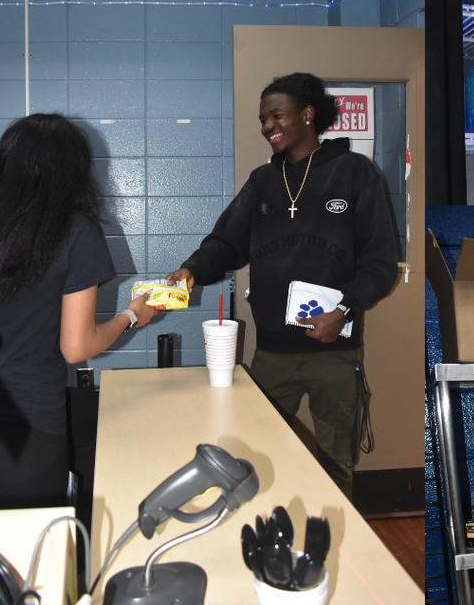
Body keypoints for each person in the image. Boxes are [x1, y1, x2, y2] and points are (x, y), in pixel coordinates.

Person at [167, 72, 399, 497]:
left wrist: (344, 309)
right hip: (272, 354)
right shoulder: (262, 182)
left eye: (277, 115)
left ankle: (334, 553)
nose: (267, 126)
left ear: (307, 115)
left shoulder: (353, 173)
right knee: (255, 455)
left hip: (334, 353)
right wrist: (193, 270)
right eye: (262, 119)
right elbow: (226, 244)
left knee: (334, 465)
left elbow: (380, 264)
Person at [0, 113, 159, 509]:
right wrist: (133, 315)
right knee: (34, 560)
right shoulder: (76, 229)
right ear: (72, 170)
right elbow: (76, 347)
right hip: (27, 432)